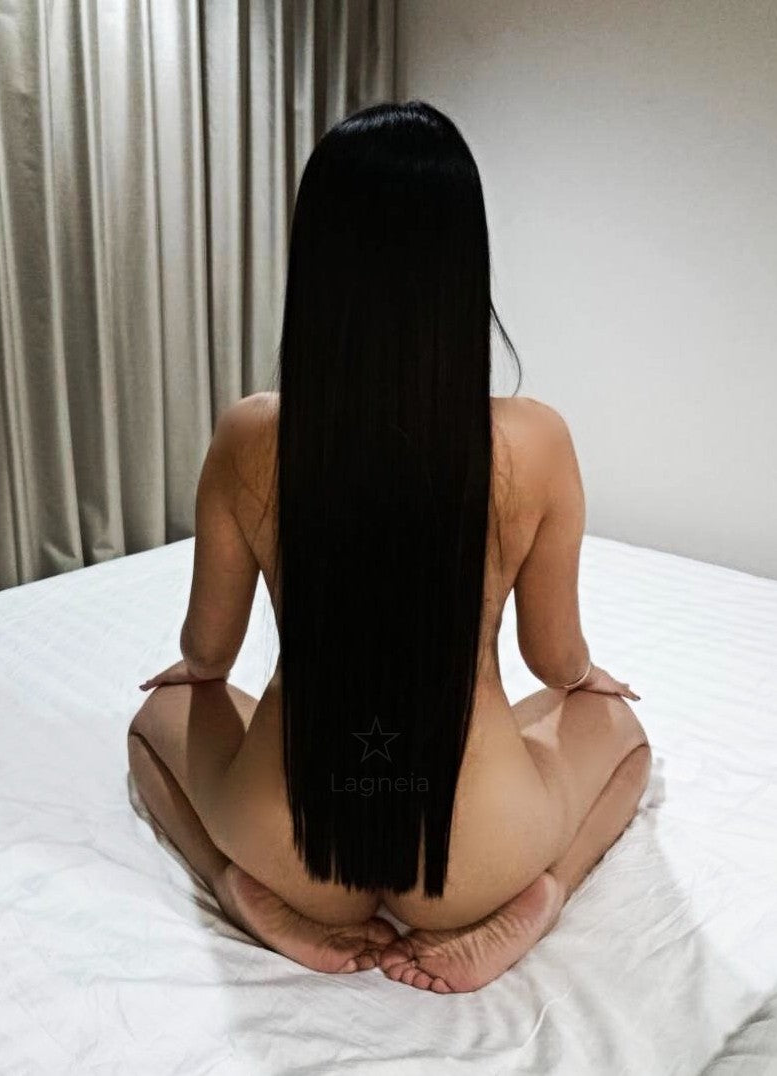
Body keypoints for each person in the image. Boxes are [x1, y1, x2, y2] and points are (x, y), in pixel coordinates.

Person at [128, 100, 651, 994]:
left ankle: (238, 889)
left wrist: (198, 679)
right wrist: (584, 679)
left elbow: (206, 654)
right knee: (625, 738)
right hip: (471, 852)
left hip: (293, 840)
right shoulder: (535, 440)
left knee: (154, 723)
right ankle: (540, 899)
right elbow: (552, 659)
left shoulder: (251, 433)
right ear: (462, 265)